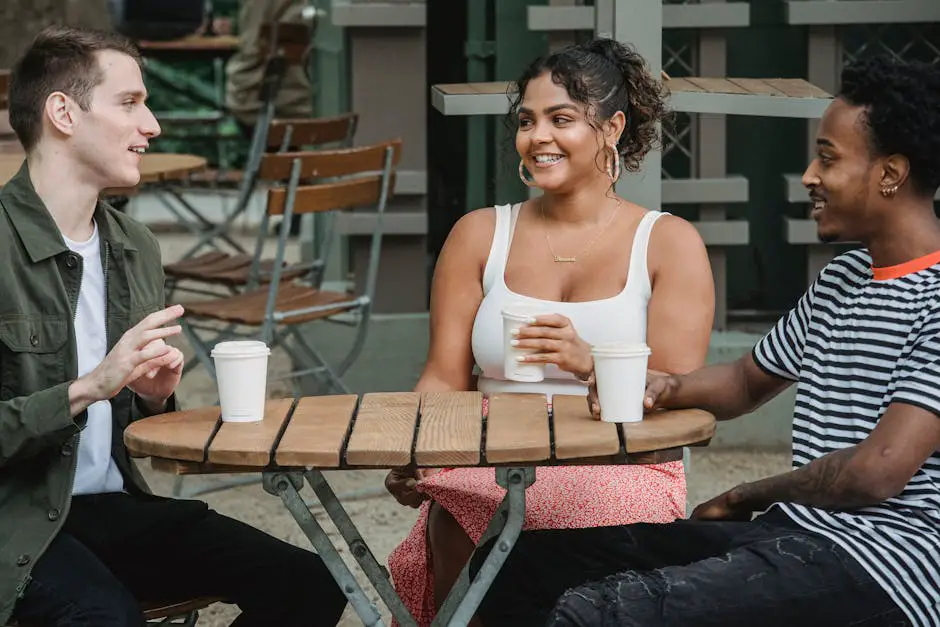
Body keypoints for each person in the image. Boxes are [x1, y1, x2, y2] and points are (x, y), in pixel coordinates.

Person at [469, 54, 940, 627]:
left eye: (827, 158)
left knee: (601, 614)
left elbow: (878, 471)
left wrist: (746, 495)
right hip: (796, 534)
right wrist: (661, 385)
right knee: (513, 564)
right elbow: (744, 381)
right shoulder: (844, 280)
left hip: (887, 564)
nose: (810, 177)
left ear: (890, 174)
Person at [0, 25, 346, 627]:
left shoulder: (135, 246)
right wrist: (89, 387)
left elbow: (133, 429)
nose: (152, 125)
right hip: (14, 519)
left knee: (310, 583)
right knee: (103, 616)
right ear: (63, 112)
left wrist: (151, 400)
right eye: (130, 103)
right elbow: (80, 394)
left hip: (112, 508)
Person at [384, 38, 716, 626]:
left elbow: (677, 397)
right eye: (527, 121)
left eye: (561, 119)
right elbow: (443, 374)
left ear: (612, 128)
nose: (538, 137)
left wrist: (592, 362)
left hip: (622, 469)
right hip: (489, 459)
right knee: (462, 501)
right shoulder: (480, 234)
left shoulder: (667, 244)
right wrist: (418, 452)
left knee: (498, 507)